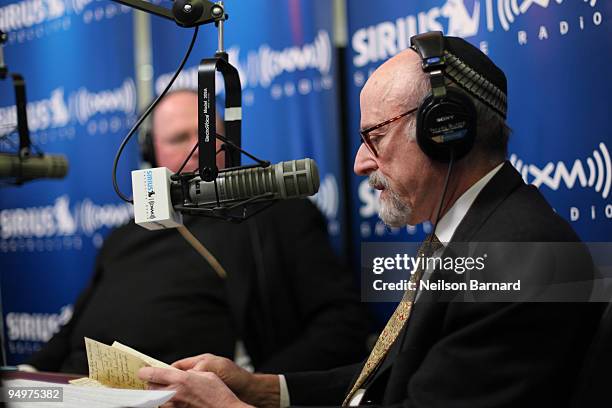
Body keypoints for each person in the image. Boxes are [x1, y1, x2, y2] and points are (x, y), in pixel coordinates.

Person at [137, 32, 604, 407]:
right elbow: (391, 379)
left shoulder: (519, 259)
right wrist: (258, 388)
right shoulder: (478, 233)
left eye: (375, 136)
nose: (361, 162)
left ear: (443, 130)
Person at [24, 90, 371, 375]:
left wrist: (251, 388)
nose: (198, 150)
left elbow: (342, 323)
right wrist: (25, 376)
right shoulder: (125, 234)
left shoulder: (278, 215)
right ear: (151, 152)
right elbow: (74, 328)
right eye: (179, 139)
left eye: (208, 136)